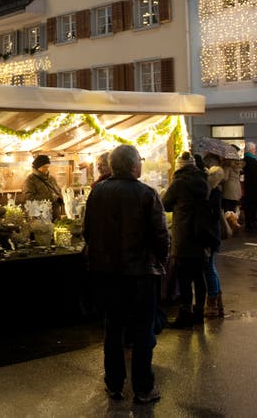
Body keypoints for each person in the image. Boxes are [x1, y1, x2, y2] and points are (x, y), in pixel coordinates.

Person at [83, 144, 168, 405]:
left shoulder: (97, 192)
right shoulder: (146, 194)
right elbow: (160, 236)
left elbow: (87, 231)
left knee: (113, 328)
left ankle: (114, 383)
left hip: (107, 274)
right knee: (142, 332)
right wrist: (161, 261)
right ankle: (143, 387)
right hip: (139, 274)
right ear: (134, 166)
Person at [163, 152, 211, 328]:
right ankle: (199, 312)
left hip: (184, 233)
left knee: (183, 276)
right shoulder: (203, 180)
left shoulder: (179, 182)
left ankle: (185, 314)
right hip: (201, 232)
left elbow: (165, 204)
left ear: (179, 166)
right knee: (199, 276)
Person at [203, 165, 226, 318]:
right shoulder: (216, 192)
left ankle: (212, 301)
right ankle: (218, 300)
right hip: (214, 234)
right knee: (211, 266)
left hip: (211, 234)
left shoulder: (213, 194)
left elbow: (213, 215)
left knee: (209, 267)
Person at [20, 154, 64, 219]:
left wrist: (61, 197)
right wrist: (50, 197)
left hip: (55, 214)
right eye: (44, 167)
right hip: (41, 217)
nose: (46, 169)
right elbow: (28, 199)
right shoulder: (30, 180)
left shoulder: (51, 179)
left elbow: (58, 191)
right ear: (37, 167)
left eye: (47, 167)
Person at [241, 143, 257, 231]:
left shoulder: (247, 159)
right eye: (254, 149)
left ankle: (252, 222)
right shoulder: (250, 159)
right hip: (253, 187)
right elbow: (254, 171)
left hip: (250, 186)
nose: (255, 150)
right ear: (250, 149)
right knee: (252, 205)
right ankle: (252, 223)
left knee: (251, 205)